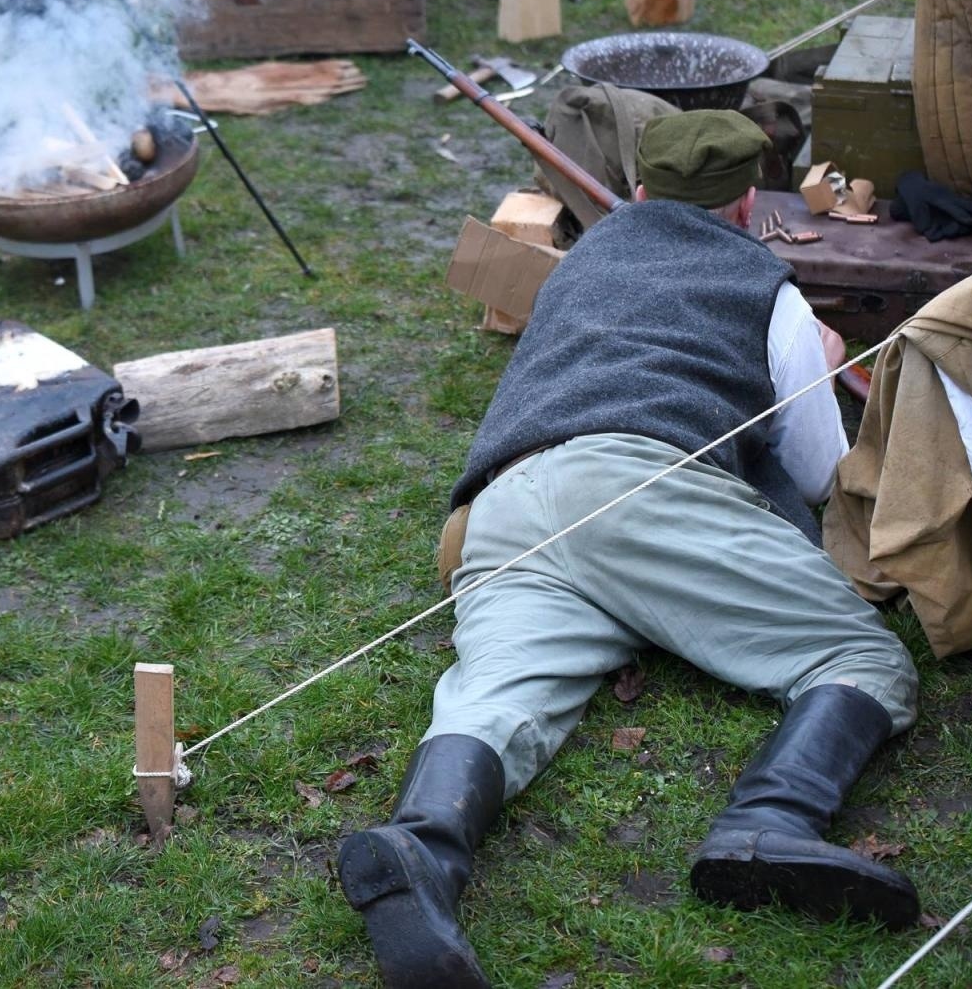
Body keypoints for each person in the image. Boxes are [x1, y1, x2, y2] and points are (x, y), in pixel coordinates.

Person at [336, 110, 922, 989]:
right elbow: (814, 476)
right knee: (862, 655)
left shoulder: (581, 265)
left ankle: (422, 848)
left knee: (499, 697)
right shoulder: (769, 290)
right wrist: (821, 359)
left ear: (642, 193)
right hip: (639, 488)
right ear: (746, 206)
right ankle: (768, 822)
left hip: (502, 508)